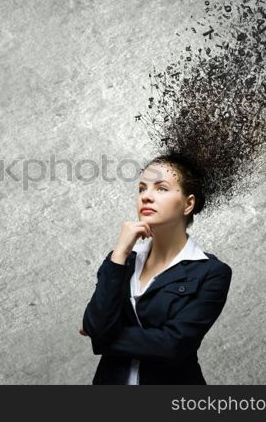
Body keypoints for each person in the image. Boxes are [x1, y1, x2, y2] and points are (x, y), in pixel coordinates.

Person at [79, 152, 232, 384]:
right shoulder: (121, 261)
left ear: (188, 204)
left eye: (161, 188)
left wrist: (102, 336)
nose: (146, 197)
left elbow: (173, 345)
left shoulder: (211, 273)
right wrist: (119, 252)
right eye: (142, 188)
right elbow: (95, 322)